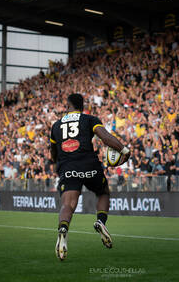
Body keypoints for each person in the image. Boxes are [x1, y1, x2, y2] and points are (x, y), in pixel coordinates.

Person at [50, 94, 130, 261]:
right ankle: (101, 221)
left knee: (68, 204)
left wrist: (61, 164)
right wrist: (124, 150)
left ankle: (63, 229)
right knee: (103, 192)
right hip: (89, 165)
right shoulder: (89, 119)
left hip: (68, 167)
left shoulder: (56, 126)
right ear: (82, 105)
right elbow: (105, 137)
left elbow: (53, 153)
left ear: (67, 106)